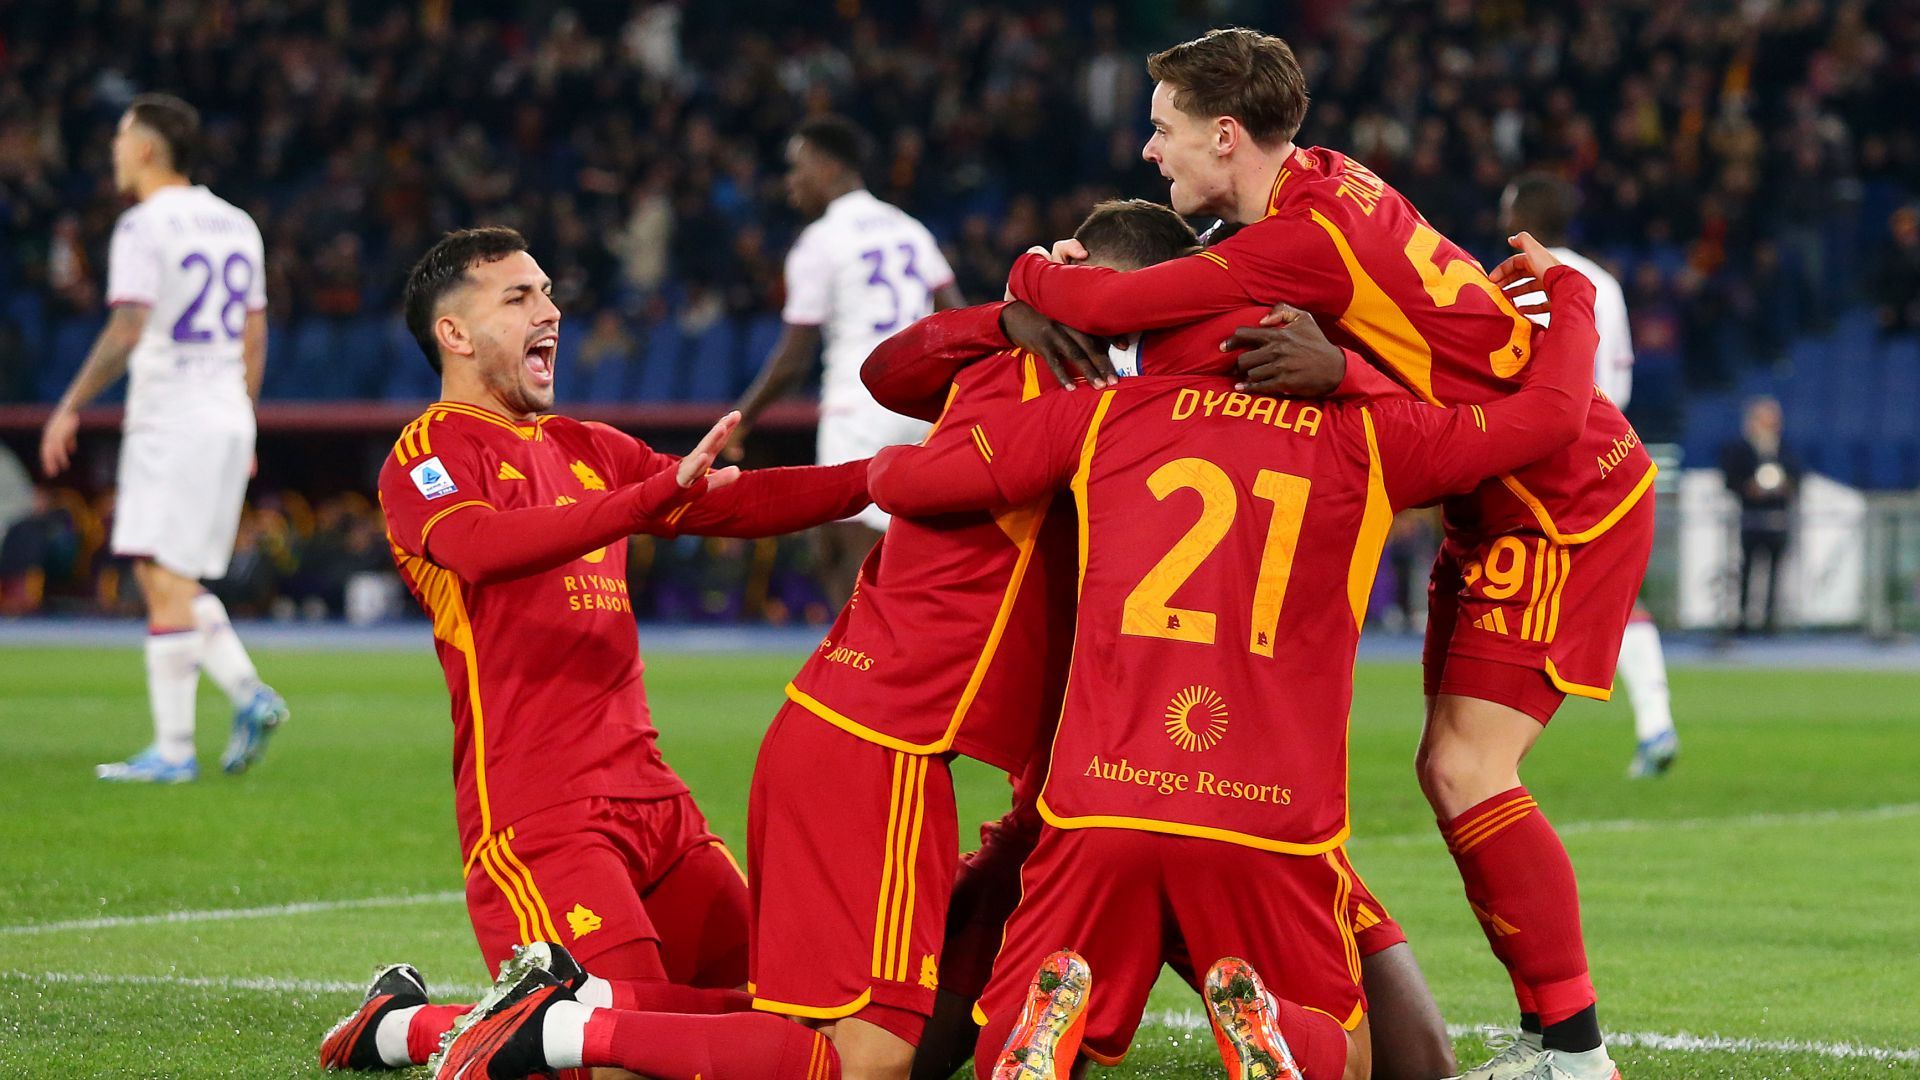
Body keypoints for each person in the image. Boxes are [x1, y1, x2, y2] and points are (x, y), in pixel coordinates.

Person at [1003, 29, 1656, 1080]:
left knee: (1463, 768)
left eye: (1163, 128)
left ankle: (1574, 1055)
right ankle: (1551, 1044)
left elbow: (1106, 304)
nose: (1147, 150)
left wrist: (1029, 271)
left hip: (1554, 486)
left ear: (1225, 135)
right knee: (1445, 766)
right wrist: (1355, 371)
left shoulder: (1298, 239)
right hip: (1492, 482)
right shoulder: (1327, 179)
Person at [868, 238, 1601, 1080]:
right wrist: (1572, 294)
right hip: (1270, 816)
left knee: (1020, 994)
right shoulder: (1372, 438)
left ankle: (1039, 1030)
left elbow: (913, 473)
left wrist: (882, 462)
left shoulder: (1105, 413)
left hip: (1100, 802)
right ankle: (1285, 1030)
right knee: (1360, 1056)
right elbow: (1551, 417)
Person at [330, 226, 871, 1079]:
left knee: (794, 1015)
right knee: (631, 1058)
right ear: (456, 334)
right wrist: (646, 500)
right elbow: (480, 547)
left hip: (658, 807)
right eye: (519, 297)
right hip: (541, 816)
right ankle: (436, 1026)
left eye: (547, 292)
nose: (551, 311)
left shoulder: (591, 447)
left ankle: (410, 1025)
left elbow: (737, 501)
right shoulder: (427, 454)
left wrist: (887, 479)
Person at [38, 93, 288, 784]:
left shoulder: (144, 226)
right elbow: (255, 333)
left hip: (172, 414)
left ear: (147, 148)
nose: (114, 151)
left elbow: (126, 327)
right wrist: (245, 413)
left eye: (121, 138)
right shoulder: (239, 224)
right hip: (225, 413)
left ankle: (176, 748)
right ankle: (247, 695)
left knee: (162, 571)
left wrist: (68, 406)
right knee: (164, 574)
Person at [731, 115, 965, 607]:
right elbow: (957, 316)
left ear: (827, 166)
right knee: (901, 547)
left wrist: (740, 422)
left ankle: (862, 671)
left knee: (844, 555)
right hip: (921, 407)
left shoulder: (821, 241)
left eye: (798, 168)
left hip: (858, 404)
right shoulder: (910, 228)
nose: (791, 181)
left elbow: (794, 357)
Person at [1501, 173, 1678, 777]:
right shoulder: (1601, 283)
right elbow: (1620, 383)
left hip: (1526, 462)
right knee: (1617, 598)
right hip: (1604, 458)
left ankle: (1482, 753)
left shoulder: (1506, 280)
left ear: (1521, 216)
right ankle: (1656, 724)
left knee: (1503, 590)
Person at [1720, 396, 1801, 635]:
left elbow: (1798, 478)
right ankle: (1743, 618)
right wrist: (1749, 488)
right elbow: (1730, 480)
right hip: (1751, 519)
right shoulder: (1741, 449)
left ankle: (1770, 620)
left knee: (1775, 571)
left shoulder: (1785, 449)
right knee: (1747, 570)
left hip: (1778, 519)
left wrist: (1785, 486)